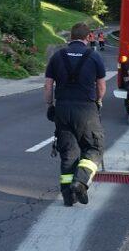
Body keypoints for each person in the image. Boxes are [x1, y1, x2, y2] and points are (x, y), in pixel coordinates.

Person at [44, 22, 106, 206]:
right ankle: (80, 182)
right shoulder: (94, 56)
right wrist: (98, 102)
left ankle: (67, 197)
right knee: (94, 147)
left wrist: (50, 105)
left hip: (62, 109)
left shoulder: (57, 56)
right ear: (88, 38)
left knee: (68, 152)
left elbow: (48, 85)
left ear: (70, 37)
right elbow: (101, 86)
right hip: (86, 109)